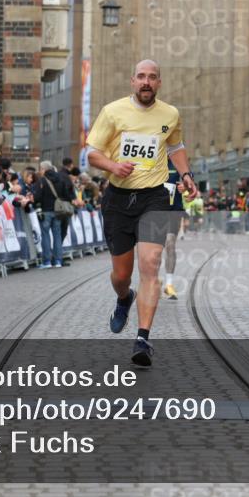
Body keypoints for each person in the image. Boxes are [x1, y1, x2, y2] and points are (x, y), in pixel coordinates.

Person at [84, 59, 198, 368]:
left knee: (151, 263)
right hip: (119, 199)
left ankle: (143, 338)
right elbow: (91, 152)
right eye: (141, 77)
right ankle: (124, 298)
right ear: (132, 81)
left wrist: (186, 175)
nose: (146, 82)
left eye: (152, 77)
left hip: (155, 197)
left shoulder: (170, 114)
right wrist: (112, 166)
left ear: (159, 83)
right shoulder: (112, 112)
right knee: (122, 275)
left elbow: (175, 147)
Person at [37, 160, 70, 268]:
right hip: (58, 211)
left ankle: (47, 261)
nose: (39, 171)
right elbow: (66, 195)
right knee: (57, 236)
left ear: (44, 169)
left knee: (45, 235)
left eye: (40, 169)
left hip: (46, 210)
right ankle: (58, 261)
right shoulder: (61, 179)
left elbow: (38, 196)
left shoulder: (42, 180)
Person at [160, 159, 186, 300]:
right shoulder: (152, 156)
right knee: (155, 249)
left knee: (170, 244)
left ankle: (169, 284)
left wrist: (185, 186)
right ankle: (154, 280)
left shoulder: (177, 159)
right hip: (155, 210)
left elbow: (188, 177)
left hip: (174, 210)